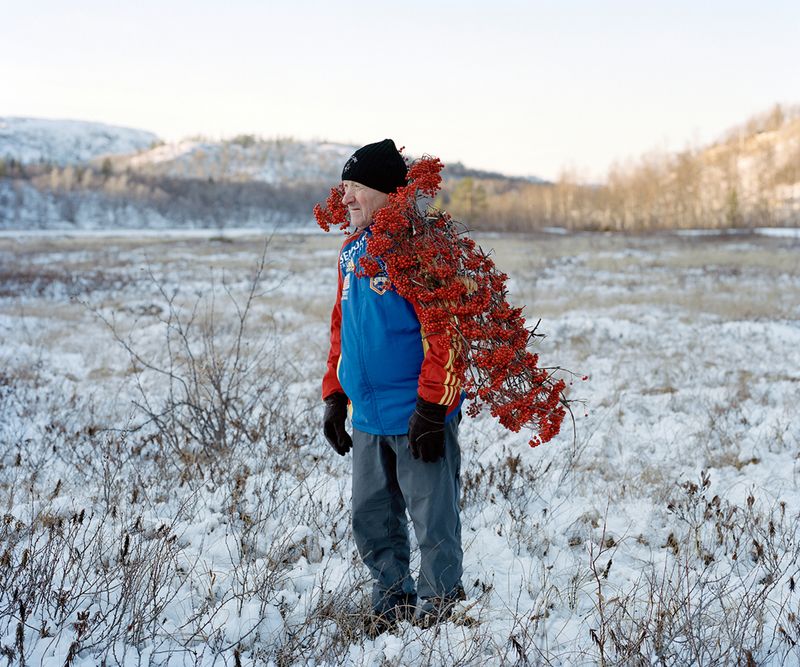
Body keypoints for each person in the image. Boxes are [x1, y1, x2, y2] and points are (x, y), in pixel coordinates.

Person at [321, 139, 465, 637]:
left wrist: (432, 406)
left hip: (415, 413)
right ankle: (392, 598)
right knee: (371, 515)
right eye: (344, 189)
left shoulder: (419, 250)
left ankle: (441, 603)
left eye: (356, 188)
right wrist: (334, 396)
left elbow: (448, 330)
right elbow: (344, 326)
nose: (347, 200)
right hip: (367, 416)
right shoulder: (352, 251)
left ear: (387, 192)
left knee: (433, 516)